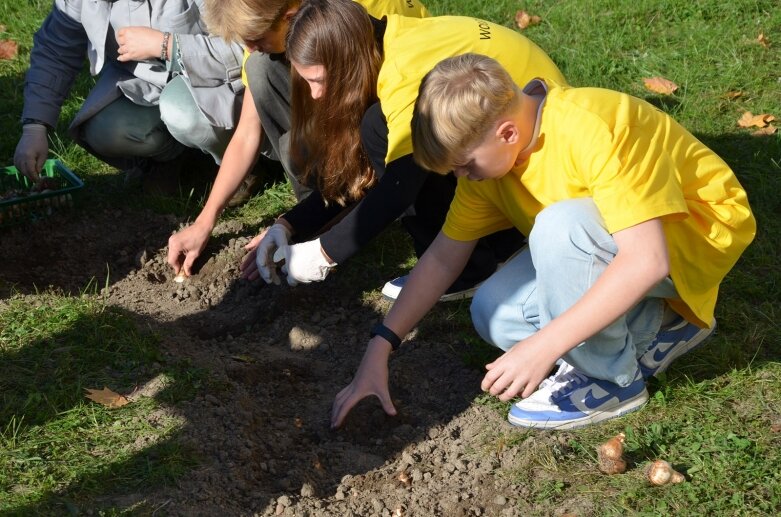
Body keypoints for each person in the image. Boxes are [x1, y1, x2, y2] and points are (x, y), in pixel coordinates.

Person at [330, 53, 756, 430]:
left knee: (560, 225)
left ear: (507, 134)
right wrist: (380, 347)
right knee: (494, 316)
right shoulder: (491, 164)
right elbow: (443, 258)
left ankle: (610, 381)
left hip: (697, 235)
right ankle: (667, 321)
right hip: (622, 241)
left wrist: (547, 345)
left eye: (463, 166)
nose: (460, 177)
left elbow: (647, 260)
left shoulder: (593, 127)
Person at [243, 0, 566, 303]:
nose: (315, 95)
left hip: (543, 165)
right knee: (378, 131)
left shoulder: (402, 77)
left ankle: (469, 270)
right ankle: (498, 244)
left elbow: (398, 188)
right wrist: (288, 224)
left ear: (346, 65)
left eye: (319, 80)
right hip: (514, 141)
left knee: (380, 132)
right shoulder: (384, 38)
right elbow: (363, 172)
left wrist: (323, 254)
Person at [166, 0, 429, 277]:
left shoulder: (367, 15)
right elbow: (246, 134)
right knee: (259, 68)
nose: (249, 48)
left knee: (374, 130)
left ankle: (341, 216)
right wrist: (205, 221)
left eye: (255, 39)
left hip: (401, 102)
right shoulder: (271, 24)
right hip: (350, 88)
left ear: (290, 18)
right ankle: (320, 208)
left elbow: (399, 141)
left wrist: (324, 250)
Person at [14, 0, 245, 188]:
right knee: (105, 130)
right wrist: (35, 126)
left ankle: (242, 165)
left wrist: (169, 47)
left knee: (182, 114)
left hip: (215, 83)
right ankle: (177, 159)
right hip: (144, 85)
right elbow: (55, 50)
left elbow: (244, 49)